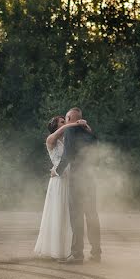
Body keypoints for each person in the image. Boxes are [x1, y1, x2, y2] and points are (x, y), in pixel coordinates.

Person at [33, 115, 91, 259]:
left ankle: (68, 250)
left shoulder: (67, 141)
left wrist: (84, 126)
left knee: (69, 215)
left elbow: (88, 138)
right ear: (56, 126)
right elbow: (65, 129)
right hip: (59, 181)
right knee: (58, 213)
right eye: (62, 122)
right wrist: (75, 123)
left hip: (70, 180)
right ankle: (55, 249)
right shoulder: (50, 140)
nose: (65, 123)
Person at [54, 107, 101, 264]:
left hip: (77, 179)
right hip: (90, 178)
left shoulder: (70, 131)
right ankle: (96, 253)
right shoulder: (88, 132)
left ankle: (77, 255)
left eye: (66, 119)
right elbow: (97, 152)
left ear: (69, 118)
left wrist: (57, 171)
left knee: (76, 217)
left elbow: (68, 155)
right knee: (92, 216)